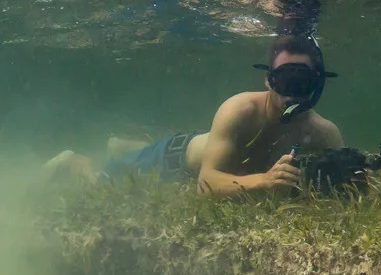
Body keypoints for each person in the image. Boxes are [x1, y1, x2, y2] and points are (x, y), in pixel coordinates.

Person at [42, 34, 345, 198]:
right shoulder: (240, 110)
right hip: (175, 163)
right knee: (103, 185)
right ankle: (75, 163)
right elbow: (206, 184)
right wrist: (264, 182)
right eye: (284, 81)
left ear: (317, 84)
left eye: (302, 82)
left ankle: (124, 146)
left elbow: (345, 183)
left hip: (202, 148)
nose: (292, 94)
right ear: (268, 81)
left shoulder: (325, 133)